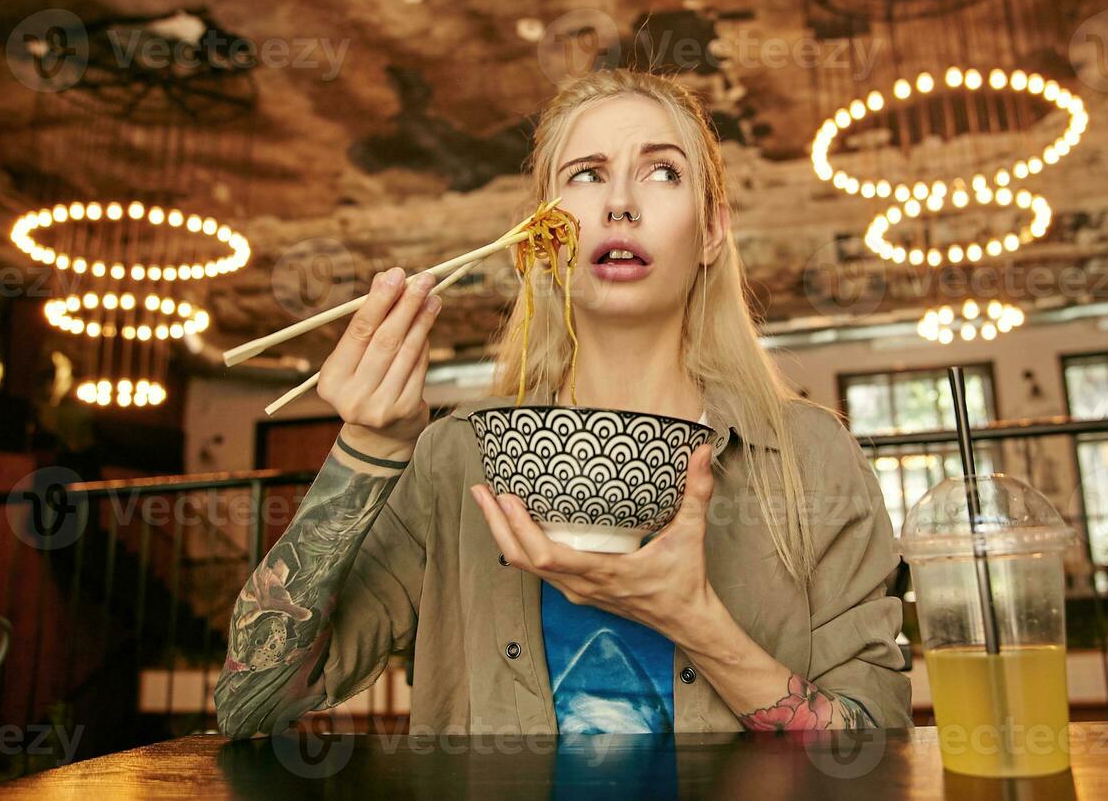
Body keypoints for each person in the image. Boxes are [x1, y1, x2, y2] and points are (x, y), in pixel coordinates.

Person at [214, 68, 912, 737]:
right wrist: (367, 450)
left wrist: (695, 620)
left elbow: (873, 749)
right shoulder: (455, 458)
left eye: (663, 172)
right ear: (541, 237)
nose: (619, 204)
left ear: (709, 232)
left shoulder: (811, 459)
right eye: (586, 174)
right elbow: (252, 704)